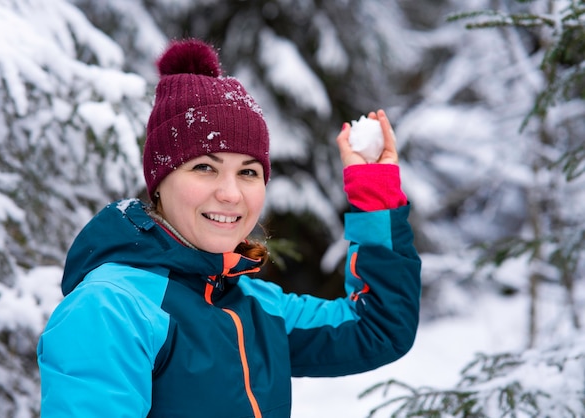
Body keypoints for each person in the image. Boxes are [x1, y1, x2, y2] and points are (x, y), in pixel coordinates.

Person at [37, 38, 421, 418]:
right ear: (159, 182)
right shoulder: (112, 308)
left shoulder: (253, 303)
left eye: (249, 172)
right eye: (205, 167)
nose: (230, 193)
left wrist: (375, 192)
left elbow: (378, 328)